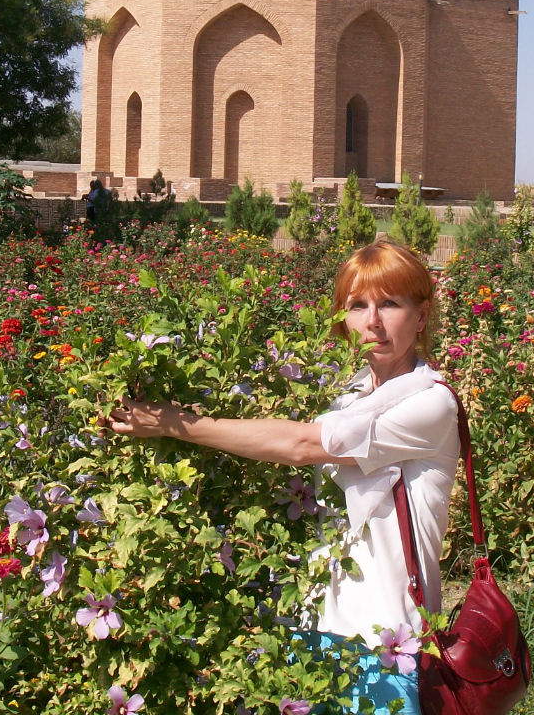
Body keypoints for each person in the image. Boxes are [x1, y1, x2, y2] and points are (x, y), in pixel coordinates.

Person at [107, 238, 457, 713]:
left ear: (421, 315)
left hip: (389, 643)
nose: (372, 321)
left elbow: (301, 445)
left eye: (390, 303)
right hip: (319, 628)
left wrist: (172, 423)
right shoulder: (346, 395)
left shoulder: (429, 403)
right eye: (357, 306)